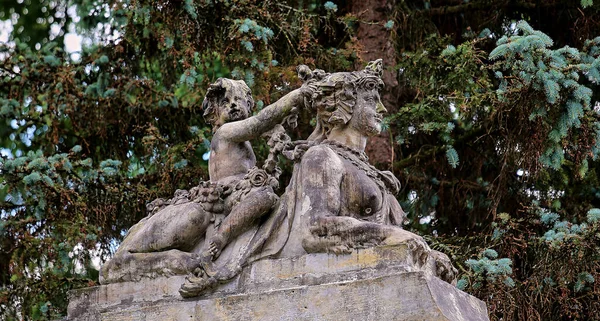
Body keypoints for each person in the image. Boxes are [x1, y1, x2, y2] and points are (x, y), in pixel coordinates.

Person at [100, 77, 312, 285]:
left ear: (249, 105)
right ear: (215, 114)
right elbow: (260, 122)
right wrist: (295, 96)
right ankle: (219, 239)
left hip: (240, 191)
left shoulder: (242, 141)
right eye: (225, 103)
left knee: (266, 197)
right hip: (224, 194)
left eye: (238, 101)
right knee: (265, 197)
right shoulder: (225, 132)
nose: (233, 106)